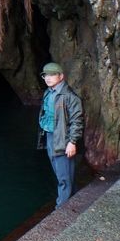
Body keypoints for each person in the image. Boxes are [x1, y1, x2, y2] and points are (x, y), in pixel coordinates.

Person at [37, 62, 84, 208]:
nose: (48, 78)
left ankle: (61, 209)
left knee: (64, 176)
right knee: (62, 173)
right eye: (45, 75)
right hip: (50, 136)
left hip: (63, 139)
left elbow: (77, 120)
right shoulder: (48, 93)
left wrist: (72, 142)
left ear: (61, 76)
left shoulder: (69, 96)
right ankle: (75, 200)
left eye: (52, 74)